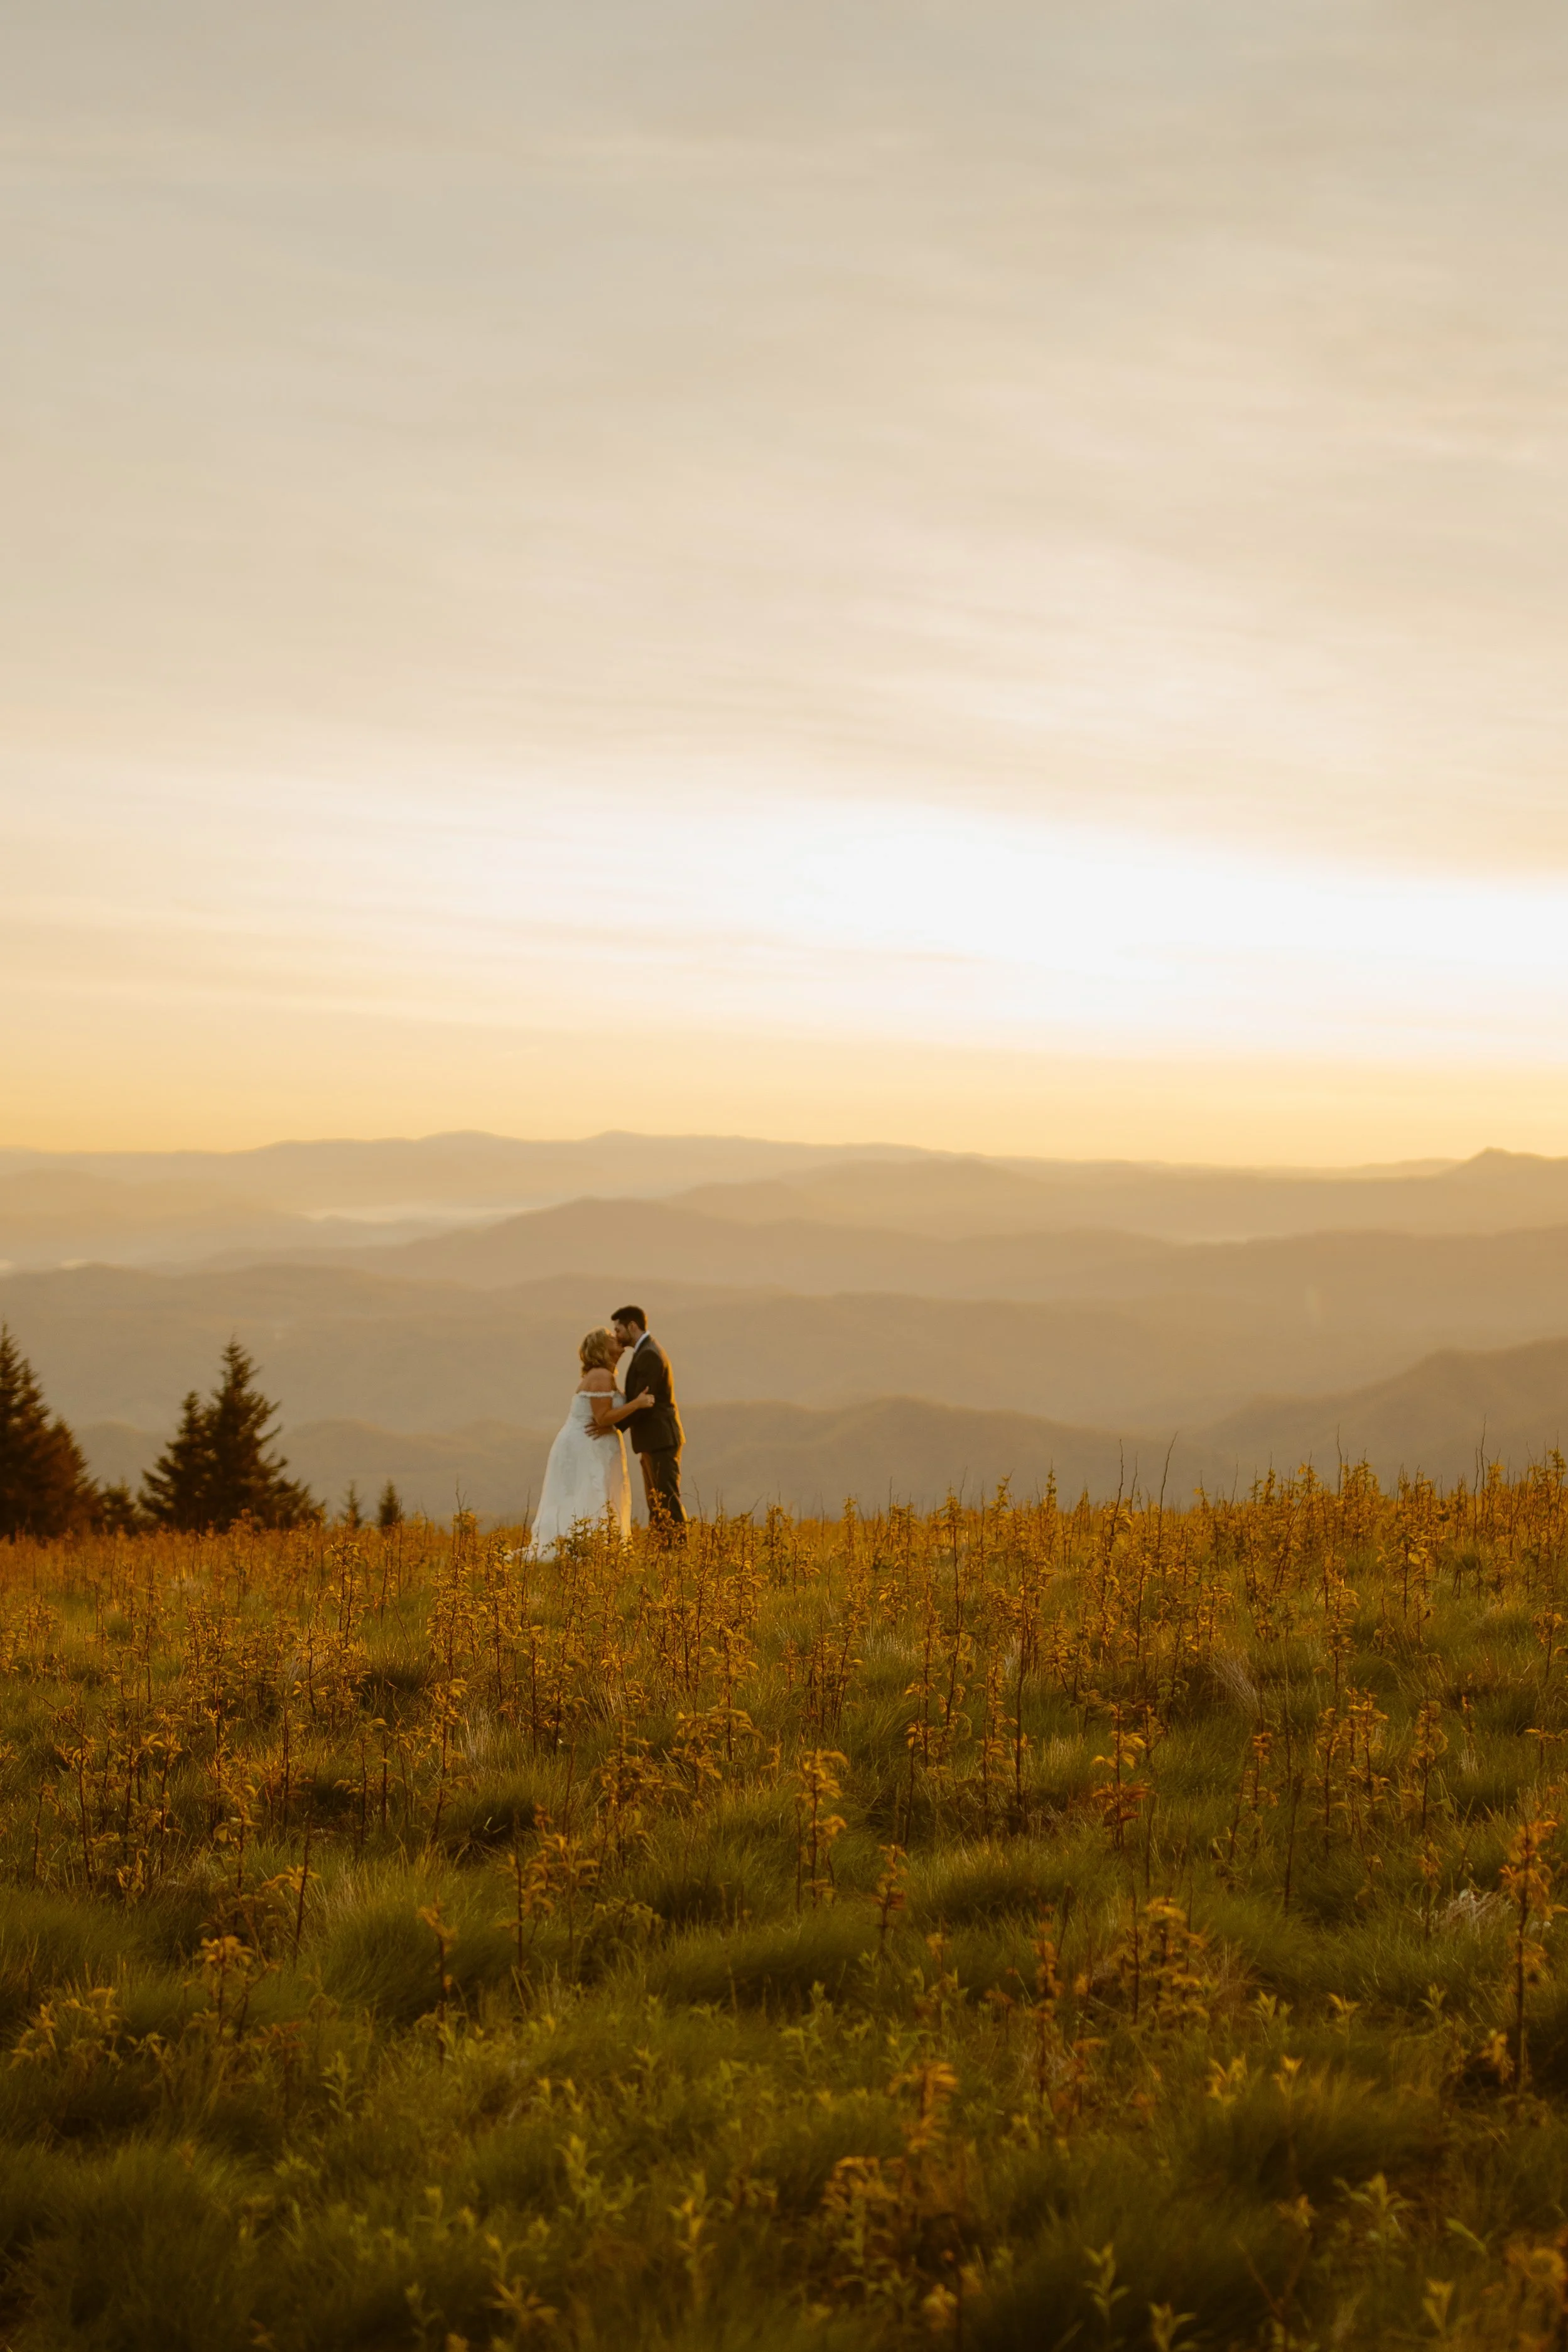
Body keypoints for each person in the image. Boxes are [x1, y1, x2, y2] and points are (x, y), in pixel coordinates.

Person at [527, 1327, 652, 1552]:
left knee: (592, 1494)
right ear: (602, 1347)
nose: (617, 1339)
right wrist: (638, 1404)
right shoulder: (601, 1375)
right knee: (590, 1493)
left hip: (593, 1444)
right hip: (587, 1445)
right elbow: (602, 1418)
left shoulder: (604, 1374)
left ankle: (593, 1546)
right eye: (611, 1338)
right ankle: (586, 1547)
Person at [592, 1304, 686, 1535]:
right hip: (654, 1439)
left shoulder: (649, 1355)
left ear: (632, 1326)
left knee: (667, 1500)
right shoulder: (646, 1351)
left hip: (661, 1439)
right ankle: (663, 1547)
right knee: (657, 1501)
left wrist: (612, 1426)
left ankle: (677, 1549)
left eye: (619, 1330)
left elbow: (645, 1403)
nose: (616, 1336)